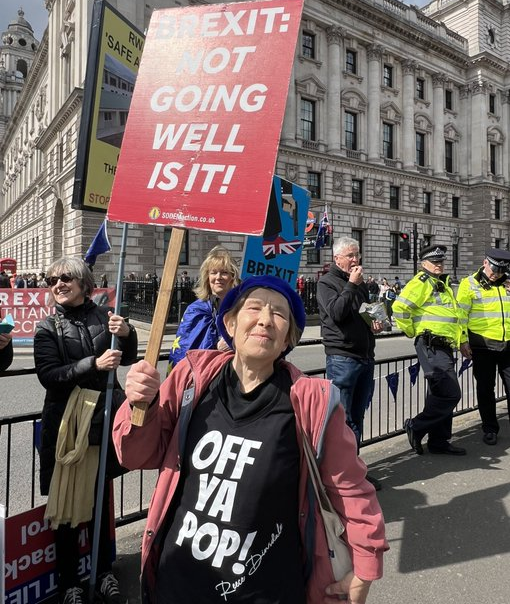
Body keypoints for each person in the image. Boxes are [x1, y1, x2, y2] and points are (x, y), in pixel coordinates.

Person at [113, 275, 388, 604]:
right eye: (254, 308)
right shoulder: (190, 378)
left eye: (279, 314)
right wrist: (140, 406)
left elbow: (350, 488)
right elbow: (135, 456)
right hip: (175, 584)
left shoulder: (313, 402)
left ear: (289, 337)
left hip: (266, 590)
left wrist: (367, 565)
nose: (265, 320)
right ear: (229, 324)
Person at [34, 256, 138, 604]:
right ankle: (69, 583)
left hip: (102, 421)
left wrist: (127, 334)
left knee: (98, 502)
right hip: (67, 425)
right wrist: (92, 363)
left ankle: (103, 571)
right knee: (65, 508)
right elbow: (49, 375)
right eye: (52, 280)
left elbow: (127, 356)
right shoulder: (46, 327)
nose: (57, 284)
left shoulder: (104, 316)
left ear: (82, 282)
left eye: (64, 278)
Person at [316, 236, 384, 490]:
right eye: (350, 256)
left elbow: (365, 311)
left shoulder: (358, 284)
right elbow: (336, 313)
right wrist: (352, 285)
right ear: (337, 258)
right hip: (343, 357)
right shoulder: (327, 282)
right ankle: (341, 475)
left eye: (357, 254)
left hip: (365, 356)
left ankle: (353, 470)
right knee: (343, 421)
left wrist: (374, 322)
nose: (356, 260)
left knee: (357, 415)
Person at [392, 245, 465, 456]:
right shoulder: (422, 282)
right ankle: (416, 426)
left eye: (441, 261)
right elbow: (400, 308)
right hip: (431, 344)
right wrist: (412, 331)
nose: (439, 265)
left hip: (444, 345)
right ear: (423, 264)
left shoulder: (441, 283)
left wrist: (461, 340)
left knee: (438, 394)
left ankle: (439, 441)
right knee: (451, 393)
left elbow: (454, 316)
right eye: (434, 262)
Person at [456, 247, 510, 445]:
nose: (496, 275)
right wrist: (462, 340)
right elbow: (461, 316)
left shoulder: (507, 281)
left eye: (501, 271)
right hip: (482, 346)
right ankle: (489, 428)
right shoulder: (469, 284)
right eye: (494, 270)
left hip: (508, 345)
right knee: (486, 389)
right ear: (485, 262)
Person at [168, 246, 240, 371]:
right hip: (207, 379)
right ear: (207, 277)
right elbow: (188, 351)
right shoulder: (196, 310)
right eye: (213, 272)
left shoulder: (241, 307)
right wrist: (217, 347)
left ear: (232, 277)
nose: (218, 277)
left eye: (224, 272)